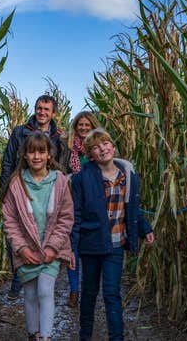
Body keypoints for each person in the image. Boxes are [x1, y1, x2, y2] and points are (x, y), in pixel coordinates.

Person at [70, 129, 155, 341]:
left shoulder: (128, 176)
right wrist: (71, 248)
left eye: (105, 143)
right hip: (90, 246)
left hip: (116, 244)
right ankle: (85, 336)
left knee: (111, 293)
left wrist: (145, 228)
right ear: (90, 156)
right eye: (96, 148)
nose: (102, 149)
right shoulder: (82, 179)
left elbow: (133, 207)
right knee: (89, 295)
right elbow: (76, 215)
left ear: (113, 146)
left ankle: (116, 338)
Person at [2, 132, 75, 341]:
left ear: (49, 155)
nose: (36, 156)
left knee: (45, 290)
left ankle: (45, 337)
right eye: (31, 151)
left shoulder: (60, 182)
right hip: (26, 250)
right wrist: (22, 248)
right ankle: (33, 334)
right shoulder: (16, 184)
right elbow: (10, 220)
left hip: (52, 248)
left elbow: (65, 218)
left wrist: (53, 247)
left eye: (41, 151)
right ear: (24, 155)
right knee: (31, 294)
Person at [1, 94, 71, 301]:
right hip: (21, 188)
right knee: (20, 235)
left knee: (44, 234)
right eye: (39, 108)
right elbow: (7, 162)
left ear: (53, 113)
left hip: (47, 191)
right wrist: (5, 191)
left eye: (46, 110)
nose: (42, 112)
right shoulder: (20, 133)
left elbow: (62, 167)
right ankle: (18, 282)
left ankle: (43, 280)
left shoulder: (59, 137)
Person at [63, 111, 101, 307]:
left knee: (89, 247)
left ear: (93, 126)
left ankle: (87, 289)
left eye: (87, 125)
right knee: (72, 246)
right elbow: (59, 169)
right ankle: (74, 291)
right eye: (80, 125)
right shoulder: (68, 147)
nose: (84, 128)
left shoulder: (100, 147)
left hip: (94, 203)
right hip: (72, 201)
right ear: (75, 127)